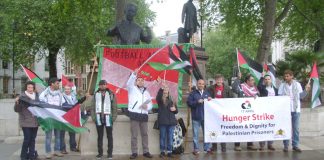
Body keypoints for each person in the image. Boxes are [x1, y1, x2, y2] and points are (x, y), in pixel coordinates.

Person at [278, 70, 310, 152]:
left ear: (292, 76)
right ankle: (285, 145)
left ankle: (295, 145)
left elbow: (301, 96)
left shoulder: (297, 84)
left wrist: (306, 90)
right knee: (286, 128)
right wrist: (285, 96)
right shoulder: (282, 85)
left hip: (296, 109)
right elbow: (279, 96)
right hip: (286, 110)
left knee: (296, 128)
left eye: (288, 76)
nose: (286, 78)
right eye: (285, 76)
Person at [127, 70, 153, 159]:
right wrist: (134, 74)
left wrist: (148, 107)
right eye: (139, 80)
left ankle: (146, 151)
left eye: (142, 80)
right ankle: (134, 152)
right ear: (136, 81)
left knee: (145, 134)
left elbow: (150, 104)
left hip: (144, 115)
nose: (141, 81)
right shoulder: (132, 89)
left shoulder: (147, 92)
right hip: (134, 114)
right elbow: (129, 83)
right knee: (134, 135)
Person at [90, 80, 117, 159]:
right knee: (100, 137)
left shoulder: (111, 94)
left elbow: (115, 107)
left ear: (106, 85)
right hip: (98, 119)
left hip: (108, 119)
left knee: (110, 136)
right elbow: (92, 107)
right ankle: (100, 153)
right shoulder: (96, 94)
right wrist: (94, 117)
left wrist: (113, 118)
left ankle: (110, 154)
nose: (102, 86)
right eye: (101, 85)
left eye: (104, 85)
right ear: (99, 86)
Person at [231, 73, 259, 151]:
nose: (253, 81)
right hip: (241, 112)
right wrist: (238, 78)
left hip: (251, 113)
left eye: (253, 80)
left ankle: (250, 144)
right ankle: (237, 145)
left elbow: (258, 96)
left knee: (250, 127)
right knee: (239, 127)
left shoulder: (255, 89)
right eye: (251, 80)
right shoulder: (241, 87)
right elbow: (234, 88)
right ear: (247, 81)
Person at [207, 74, 233, 152]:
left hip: (223, 112)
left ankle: (223, 147)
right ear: (215, 80)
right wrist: (208, 97)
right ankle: (214, 146)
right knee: (214, 129)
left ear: (222, 80)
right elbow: (205, 94)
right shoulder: (210, 88)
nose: (218, 81)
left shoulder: (227, 88)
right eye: (217, 79)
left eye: (220, 79)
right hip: (213, 112)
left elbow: (231, 98)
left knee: (223, 129)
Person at [39, 77, 64, 159]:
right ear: (52, 84)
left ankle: (57, 150)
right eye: (57, 83)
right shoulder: (44, 93)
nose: (58, 84)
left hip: (57, 118)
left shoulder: (60, 93)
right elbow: (41, 102)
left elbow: (62, 104)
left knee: (58, 136)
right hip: (49, 118)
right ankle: (48, 152)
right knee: (48, 136)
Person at [14, 81, 39, 160]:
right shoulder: (22, 96)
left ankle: (32, 156)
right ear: (26, 88)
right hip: (25, 122)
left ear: (33, 88)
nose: (30, 89)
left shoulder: (36, 96)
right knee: (27, 139)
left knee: (33, 139)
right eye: (29, 87)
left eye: (32, 87)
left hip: (35, 122)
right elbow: (17, 110)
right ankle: (23, 156)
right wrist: (17, 102)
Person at [187, 79, 212, 156]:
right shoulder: (193, 93)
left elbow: (211, 105)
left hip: (205, 117)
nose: (201, 85)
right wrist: (197, 102)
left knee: (206, 134)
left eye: (202, 84)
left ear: (204, 85)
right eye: (199, 83)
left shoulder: (207, 93)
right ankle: (196, 149)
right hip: (196, 117)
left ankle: (207, 148)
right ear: (197, 84)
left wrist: (210, 100)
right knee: (195, 135)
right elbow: (189, 103)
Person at [156, 84, 178, 158]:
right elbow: (158, 97)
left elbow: (176, 111)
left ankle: (169, 151)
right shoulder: (160, 100)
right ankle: (162, 151)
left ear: (169, 91)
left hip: (171, 122)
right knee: (162, 137)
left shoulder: (172, 100)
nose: (166, 91)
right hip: (163, 122)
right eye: (164, 90)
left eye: (167, 89)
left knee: (170, 137)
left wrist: (175, 110)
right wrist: (161, 88)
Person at [257, 74, 278, 151]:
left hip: (273, 112)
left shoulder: (276, 89)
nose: (267, 80)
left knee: (271, 127)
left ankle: (270, 144)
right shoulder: (262, 88)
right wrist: (261, 77)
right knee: (263, 127)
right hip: (264, 112)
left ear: (271, 80)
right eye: (265, 79)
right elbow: (258, 85)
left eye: (268, 79)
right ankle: (262, 145)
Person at [60, 85, 79, 154]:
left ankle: (73, 147)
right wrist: (73, 106)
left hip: (72, 117)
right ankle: (62, 148)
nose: (67, 90)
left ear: (71, 90)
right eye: (65, 89)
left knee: (72, 133)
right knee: (62, 134)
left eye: (68, 89)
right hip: (64, 117)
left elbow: (77, 105)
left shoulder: (74, 97)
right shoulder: (61, 96)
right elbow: (64, 105)